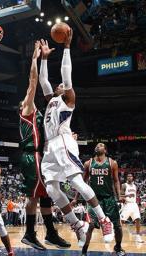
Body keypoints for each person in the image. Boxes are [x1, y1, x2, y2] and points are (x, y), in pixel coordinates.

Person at [38, 31, 114, 247]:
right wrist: (43, 58)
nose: (60, 85)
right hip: (49, 147)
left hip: (63, 141)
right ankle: (77, 224)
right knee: (52, 189)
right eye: (59, 86)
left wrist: (67, 47)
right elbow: (43, 79)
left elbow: (66, 73)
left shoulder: (68, 99)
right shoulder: (51, 100)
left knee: (76, 182)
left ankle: (103, 218)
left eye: (63, 85)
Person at [19, 41, 70, 250]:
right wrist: (35, 58)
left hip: (43, 154)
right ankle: (30, 234)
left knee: (47, 193)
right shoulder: (27, 109)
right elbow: (35, 82)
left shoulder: (47, 110)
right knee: (35, 195)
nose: (29, 98)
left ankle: (50, 233)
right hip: (33, 155)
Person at [72, 143, 126, 255]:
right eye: (96, 145)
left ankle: (118, 247)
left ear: (105, 150)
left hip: (109, 198)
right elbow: (81, 183)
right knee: (91, 225)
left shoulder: (112, 163)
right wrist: (75, 198)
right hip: (94, 199)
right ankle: (84, 251)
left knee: (117, 225)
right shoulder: (88, 163)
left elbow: (116, 180)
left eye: (101, 145)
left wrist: (119, 195)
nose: (97, 146)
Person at [120, 173, 144, 243]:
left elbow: (135, 196)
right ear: (126, 177)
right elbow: (120, 196)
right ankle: (118, 235)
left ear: (133, 178)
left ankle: (138, 236)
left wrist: (138, 205)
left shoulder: (135, 186)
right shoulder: (124, 185)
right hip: (127, 205)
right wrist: (127, 195)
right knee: (121, 221)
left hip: (134, 205)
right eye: (128, 176)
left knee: (138, 219)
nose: (130, 177)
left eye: (131, 176)